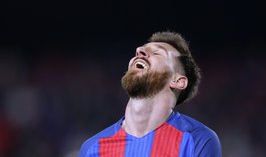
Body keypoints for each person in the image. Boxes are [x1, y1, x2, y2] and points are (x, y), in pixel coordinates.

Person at [79, 31, 222, 157]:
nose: (139, 50)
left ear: (178, 81)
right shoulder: (92, 149)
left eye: (156, 53)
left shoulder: (197, 140)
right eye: (141, 50)